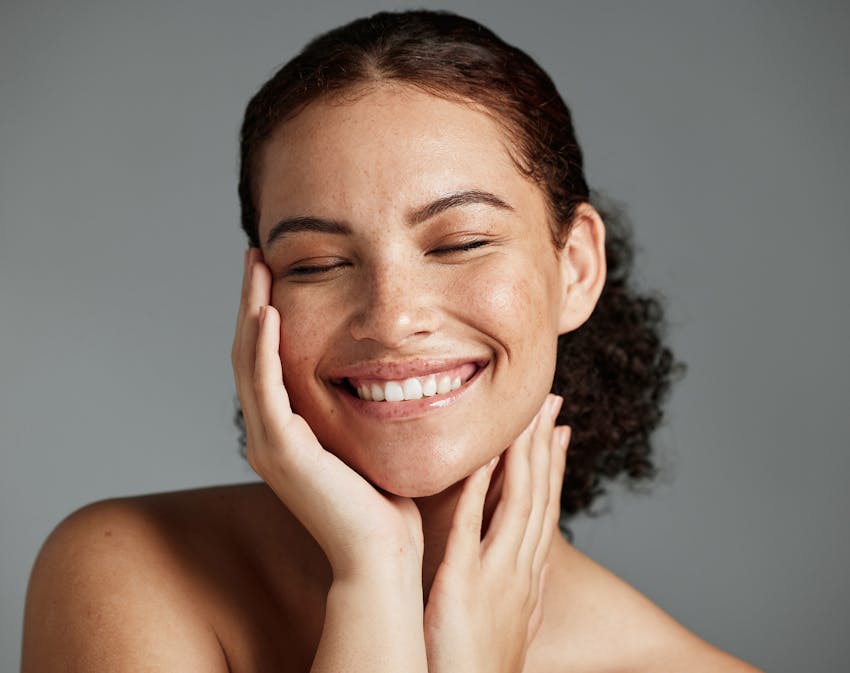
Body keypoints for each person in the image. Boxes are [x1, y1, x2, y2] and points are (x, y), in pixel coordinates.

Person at [21, 10, 761, 672]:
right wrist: (373, 575)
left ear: (575, 267)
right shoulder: (128, 569)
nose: (391, 317)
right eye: (317, 264)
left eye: (461, 242)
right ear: (262, 294)